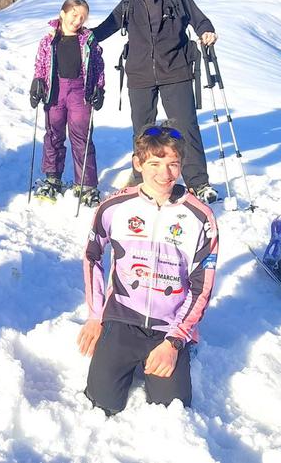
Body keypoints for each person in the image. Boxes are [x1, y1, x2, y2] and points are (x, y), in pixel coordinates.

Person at [76, 124, 217, 415]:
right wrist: (95, 315)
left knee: (170, 409)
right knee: (102, 403)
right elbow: (92, 256)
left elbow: (202, 286)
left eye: (172, 164)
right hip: (122, 319)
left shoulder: (200, 216)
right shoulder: (114, 206)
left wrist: (176, 341)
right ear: (138, 163)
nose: (164, 174)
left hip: (168, 327)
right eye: (155, 163)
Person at [92, 0, 219, 204]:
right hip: (140, 75)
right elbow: (106, 27)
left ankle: (198, 183)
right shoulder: (127, 4)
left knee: (185, 128)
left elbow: (199, 19)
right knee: (143, 132)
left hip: (176, 70)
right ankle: (143, 181)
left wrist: (206, 31)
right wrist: (83, 37)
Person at [29, 0, 105, 206]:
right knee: (53, 134)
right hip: (55, 90)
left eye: (82, 17)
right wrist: (37, 82)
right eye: (74, 15)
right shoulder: (48, 40)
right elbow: (41, 65)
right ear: (63, 13)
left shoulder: (88, 41)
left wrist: (100, 88)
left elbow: (98, 65)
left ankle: (86, 183)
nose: (77, 20)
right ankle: (53, 177)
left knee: (82, 136)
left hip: (80, 92)